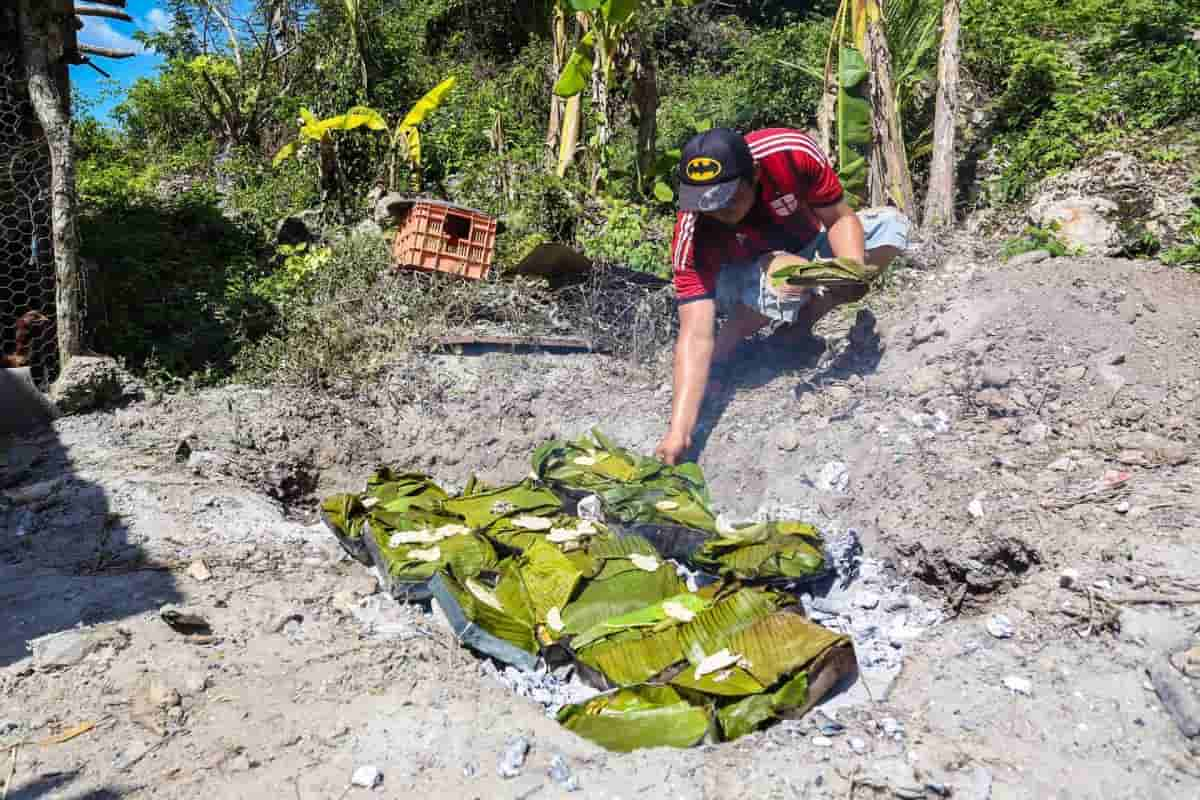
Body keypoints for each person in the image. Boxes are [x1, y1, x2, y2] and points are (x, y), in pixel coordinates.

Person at [654, 127, 910, 465]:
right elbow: (695, 335)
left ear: (755, 174)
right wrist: (679, 433)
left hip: (804, 250)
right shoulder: (693, 231)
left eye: (728, 199)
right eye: (708, 204)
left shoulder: (790, 153)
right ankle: (731, 344)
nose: (719, 211)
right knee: (790, 277)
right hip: (738, 282)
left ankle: (795, 330)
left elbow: (839, 218)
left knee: (889, 228)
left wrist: (849, 270)